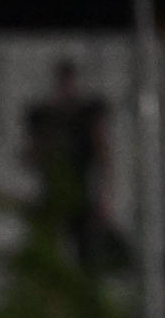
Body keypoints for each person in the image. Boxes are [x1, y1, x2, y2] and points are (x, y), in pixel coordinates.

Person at [22, 56, 119, 271]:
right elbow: (32, 154)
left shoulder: (86, 115)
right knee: (49, 257)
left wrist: (105, 197)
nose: (66, 87)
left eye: (68, 82)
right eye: (62, 82)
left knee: (85, 257)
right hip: (54, 192)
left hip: (80, 193)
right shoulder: (45, 116)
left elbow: (103, 154)